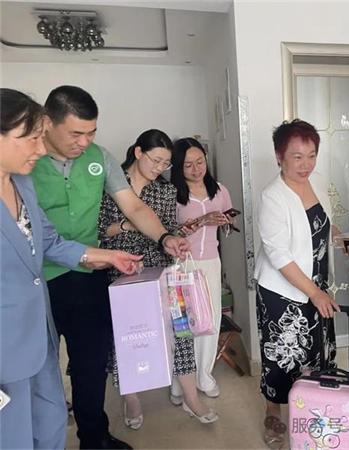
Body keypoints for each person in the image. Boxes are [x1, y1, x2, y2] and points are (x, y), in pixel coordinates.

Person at [30, 86, 189, 449]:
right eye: (76, 133)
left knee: (91, 363)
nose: (85, 142)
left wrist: (164, 237)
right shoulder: (27, 159)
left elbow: (134, 207)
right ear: (47, 122)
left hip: (88, 276)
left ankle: (94, 437)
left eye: (91, 132)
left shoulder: (98, 157)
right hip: (38, 278)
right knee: (40, 368)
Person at [0, 88, 142, 449]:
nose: (39, 149)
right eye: (30, 138)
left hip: (39, 330)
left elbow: (49, 240)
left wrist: (106, 256)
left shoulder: (21, 184)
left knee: (49, 421)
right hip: (6, 345)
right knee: (12, 432)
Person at [98, 130, 218, 430]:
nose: (160, 168)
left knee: (181, 333)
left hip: (162, 270)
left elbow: (166, 229)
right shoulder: (108, 184)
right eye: (155, 160)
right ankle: (132, 400)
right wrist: (128, 225)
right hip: (120, 271)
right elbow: (98, 232)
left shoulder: (164, 190)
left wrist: (176, 240)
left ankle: (192, 398)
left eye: (166, 163)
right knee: (125, 337)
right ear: (138, 152)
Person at [254, 119, 340, 449]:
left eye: (312, 155)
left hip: (316, 286)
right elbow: (279, 255)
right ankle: (272, 411)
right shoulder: (272, 197)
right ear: (279, 156)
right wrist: (314, 292)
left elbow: (322, 227)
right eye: (297, 156)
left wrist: (345, 241)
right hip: (283, 293)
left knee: (317, 352)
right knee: (283, 358)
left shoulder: (317, 182)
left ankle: (311, 411)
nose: (306, 164)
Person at [169, 137, 232, 401]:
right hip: (182, 264)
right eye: (188, 165)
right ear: (178, 167)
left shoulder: (219, 190)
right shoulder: (172, 194)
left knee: (210, 320)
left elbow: (227, 221)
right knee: (183, 324)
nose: (196, 169)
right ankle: (179, 382)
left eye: (200, 162)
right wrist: (201, 221)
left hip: (211, 263)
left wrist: (225, 222)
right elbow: (168, 234)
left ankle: (204, 376)